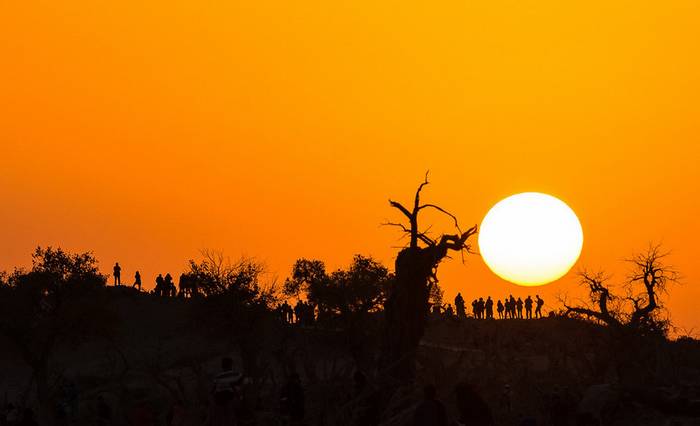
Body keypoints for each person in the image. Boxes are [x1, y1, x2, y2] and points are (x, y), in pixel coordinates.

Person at [205, 357, 243, 426]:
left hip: (218, 400)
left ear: (222, 366)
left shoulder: (218, 377)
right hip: (231, 398)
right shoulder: (237, 375)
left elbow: (212, 390)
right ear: (231, 365)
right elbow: (243, 385)